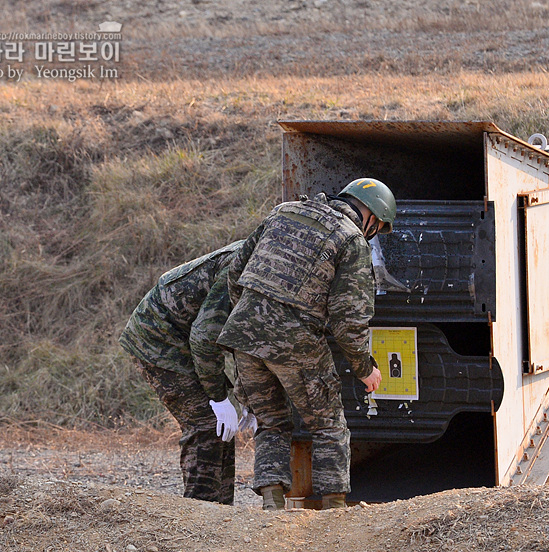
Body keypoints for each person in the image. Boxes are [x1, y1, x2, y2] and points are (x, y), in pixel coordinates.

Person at [217, 178, 396, 510]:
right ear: (371, 215)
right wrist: (364, 368)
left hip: (243, 334)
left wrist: (251, 318)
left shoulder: (284, 212)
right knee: (328, 424)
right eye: (380, 227)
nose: (375, 233)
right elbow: (349, 319)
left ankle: (272, 505)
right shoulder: (350, 239)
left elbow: (236, 271)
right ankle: (334, 510)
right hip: (295, 341)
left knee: (271, 421)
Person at [119, 241, 256, 505]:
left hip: (182, 336)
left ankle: (219, 513)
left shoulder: (267, 264)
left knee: (221, 429)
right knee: (206, 424)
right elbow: (204, 336)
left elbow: (243, 338)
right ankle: (196, 512)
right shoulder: (241, 265)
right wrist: (218, 398)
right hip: (157, 337)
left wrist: (247, 398)